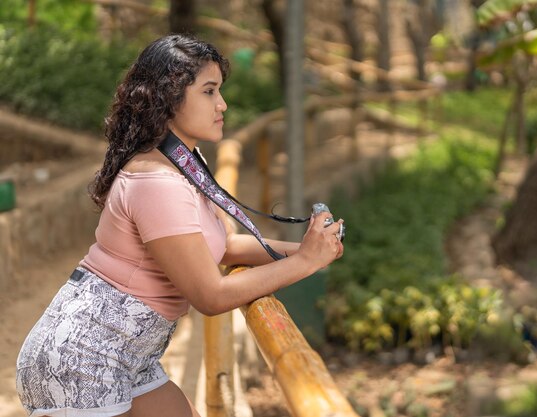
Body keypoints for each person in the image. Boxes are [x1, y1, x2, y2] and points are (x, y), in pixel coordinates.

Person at [16, 34, 344, 417]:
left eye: (219, 90)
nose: (222, 105)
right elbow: (210, 295)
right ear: (169, 98)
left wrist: (307, 250)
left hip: (127, 357)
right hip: (81, 360)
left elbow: (218, 247)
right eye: (209, 91)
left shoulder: (183, 160)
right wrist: (304, 263)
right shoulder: (157, 182)